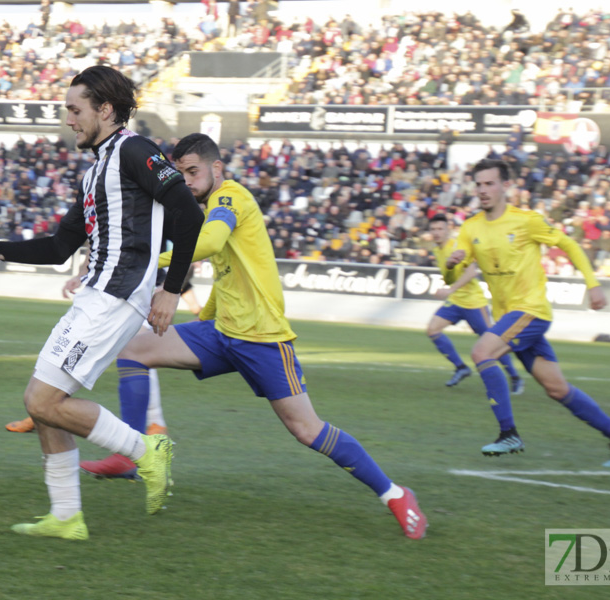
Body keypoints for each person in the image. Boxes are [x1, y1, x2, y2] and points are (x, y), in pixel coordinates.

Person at [78, 134, 427, 540]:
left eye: (193, 172)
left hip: (263, 339)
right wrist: (201, 316)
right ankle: (132, 454)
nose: (186, 181)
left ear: (217, 169)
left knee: (306, 429)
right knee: (134, 348)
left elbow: (208, 244)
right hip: (223, 332)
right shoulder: (212, 204)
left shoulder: (231, 198)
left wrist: (146, 257)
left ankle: (396, 494)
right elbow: (227, 274)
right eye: (181, 173)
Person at [0, 65, 204, 541]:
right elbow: (57, 248)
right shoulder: (95, 174)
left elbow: (188, 215)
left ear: (105, 110)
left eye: (75, 110)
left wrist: (172, 289)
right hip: (97, 294)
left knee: (42, 399)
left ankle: (145, 450)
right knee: (47, 400)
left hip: (115, 297)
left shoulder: (134, 150)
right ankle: (66, 516)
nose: (69, 120)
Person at [446, 159, 610, 467]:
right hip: (509, 318)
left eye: (489, 183)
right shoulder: (471, 228)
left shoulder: (527, 221)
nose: (482, 190)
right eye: (478, 184)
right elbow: (451, 277)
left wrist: (593, 284)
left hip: (531, 311)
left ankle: (508, 433)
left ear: (505, 186)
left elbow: (570, 245)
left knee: (483, 352)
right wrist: (451, 264)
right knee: (556, 388)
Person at [5, 251, 180, 437]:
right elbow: (92, 238)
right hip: (100, 290)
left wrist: (169, 289)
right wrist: (81, 273)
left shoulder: (153, 222)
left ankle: (153, 425)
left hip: (139, 290)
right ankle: (43, 407)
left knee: (137, 352)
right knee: (70, 350)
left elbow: (187, 241)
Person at [426, 213, 523, 392]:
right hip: (456, 302)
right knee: (432, 329)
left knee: (491, 342)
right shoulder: (437, 249)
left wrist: (450, 290)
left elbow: (472, 272)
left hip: (473, 303)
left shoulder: (455, 247)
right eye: (433, 229)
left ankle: (515, 376)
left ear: (448, 230)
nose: (436, 232)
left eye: (440, 229)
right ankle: (461, 367)